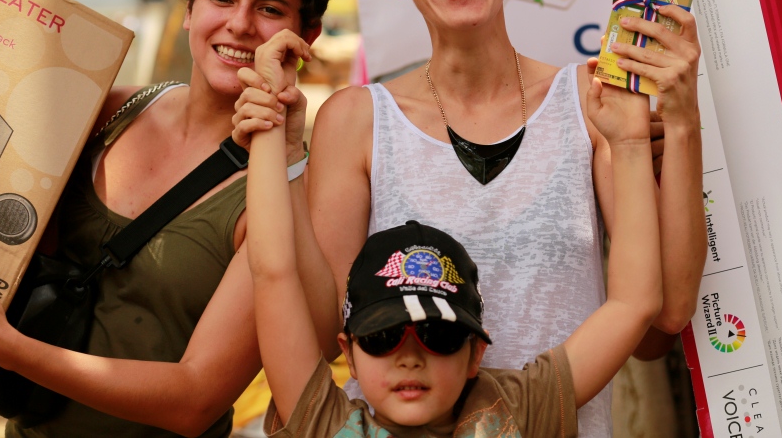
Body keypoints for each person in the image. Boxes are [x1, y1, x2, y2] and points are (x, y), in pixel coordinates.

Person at [235, 0, 705, 437]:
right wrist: (282, 151)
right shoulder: (357, 120)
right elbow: (326, 326)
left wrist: (682, 122)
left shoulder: (592, 104)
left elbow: (663, 315)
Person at [0, 0, 340, 438]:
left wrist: (4, 346)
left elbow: (194, 400)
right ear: (190, 8)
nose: (240, 24)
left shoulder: (278, 194)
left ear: (305, 34)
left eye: (269, 8)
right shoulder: (106, 111)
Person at [242, 32, 666, 438]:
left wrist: (631, 142)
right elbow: (271, 271)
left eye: (438, 336)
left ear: (475, 354)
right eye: (383, 336)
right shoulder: (329, 428)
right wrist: (269, 127)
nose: (409, 359)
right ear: (349, 352)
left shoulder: (513, 412)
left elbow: (634, 303)